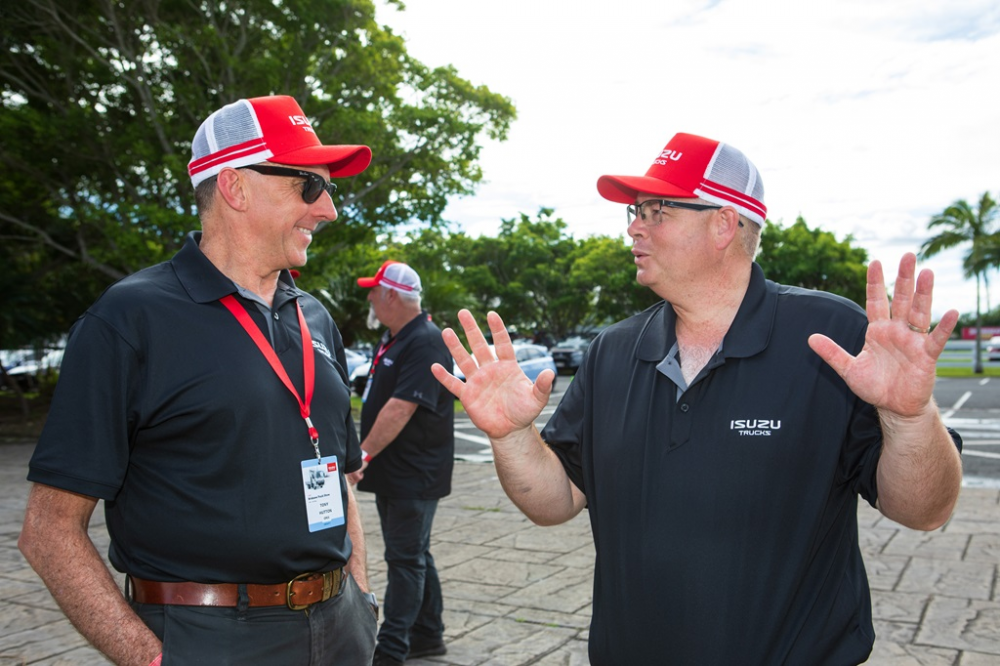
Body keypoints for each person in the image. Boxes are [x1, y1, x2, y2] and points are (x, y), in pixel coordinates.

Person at [431, 132, 964, 665]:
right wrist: (511, 436)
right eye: (634, 212)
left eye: (655, 211)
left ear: (723, 224)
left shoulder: (830, 337)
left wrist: (909, 417)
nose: (634, 227)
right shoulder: (612, 351)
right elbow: (557, 503)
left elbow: (923, 510)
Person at [18, 95, 380, 666]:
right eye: (309, 185)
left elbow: (335, 473)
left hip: (340, 629)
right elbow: (48, 530)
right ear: (235, 187)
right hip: (210, 636)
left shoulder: (314, 316)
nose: (328, 209)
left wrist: (359, 596)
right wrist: (151, 658)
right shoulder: (130, 319)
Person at [349, 260, 454, 666]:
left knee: (405, 559)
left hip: (415, 472)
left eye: (374, 292)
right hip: (396, 471)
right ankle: (429, 634)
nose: (370, 300)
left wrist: (362, 454)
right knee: (414, 554)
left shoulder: (424, 341)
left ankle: (392, 650)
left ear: (392, 295)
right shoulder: (396, 338)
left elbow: (400, 408)